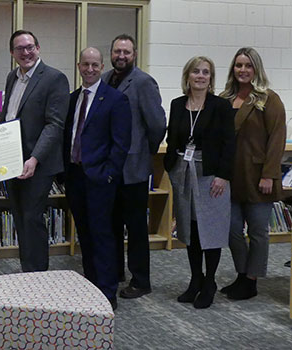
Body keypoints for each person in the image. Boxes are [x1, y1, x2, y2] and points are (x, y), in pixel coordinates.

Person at [0, 30, 70, 272]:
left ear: (38, 48)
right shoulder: (13, 77)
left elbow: (55, 124)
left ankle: (37, 274)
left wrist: (34, 159)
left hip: (38, 162)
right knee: (20, 217)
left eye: (30, 47)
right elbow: (14, 112)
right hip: (12, 159)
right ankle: (27, 269)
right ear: (12, 53)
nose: (26, 52)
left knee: (33, 218)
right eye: (20, 48)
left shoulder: (54, 78)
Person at [64, 47, 131, 310]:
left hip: (101, 179)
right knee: (85, 235)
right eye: (85, 64)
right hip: (75, 177)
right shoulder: (72, 99)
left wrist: (109, 174)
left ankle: (107, 291)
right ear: (78, 66)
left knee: (102, 236)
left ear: (102, 66)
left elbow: (121, 143)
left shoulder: (115, 99)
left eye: (95, 65)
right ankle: (91, 285)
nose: (90, 69)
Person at [164, 56, 235, 309]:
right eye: (196, 71)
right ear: (188, 76)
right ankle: (196, 279)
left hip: (211, 175)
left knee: (210, 231)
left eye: (206, 72)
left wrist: (223, 175)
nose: (201, 76)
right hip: (184, 170)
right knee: (190, 230)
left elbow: (229, 143)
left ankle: (210, 283)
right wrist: (171, 168)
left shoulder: (221, 106)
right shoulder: (177, 104)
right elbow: (173, 137)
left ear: (211, 78)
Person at [101, 34, 167, 299]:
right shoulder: (105, 79)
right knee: (111, 224)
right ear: (111, 53)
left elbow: (157, 124)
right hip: (109, 168)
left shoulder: (143, 82)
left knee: (137, 227)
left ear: (134, 54)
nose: (121, 56)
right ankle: (116, 272)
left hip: (134, 169)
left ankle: (141, 280)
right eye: (117, 51)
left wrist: (145, 151)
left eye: (126, 52)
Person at [219, 47, 286, 300]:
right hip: (230, 177)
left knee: (258, 232)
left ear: (256, 69)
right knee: (232, 229)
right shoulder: (225, 98)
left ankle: (251, 280)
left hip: (259, 177)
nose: (243, 70)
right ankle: (241, 273)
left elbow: (277, 139)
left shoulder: (269, 99)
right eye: (238, 65)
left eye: (248, 65)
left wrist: (269, 174)